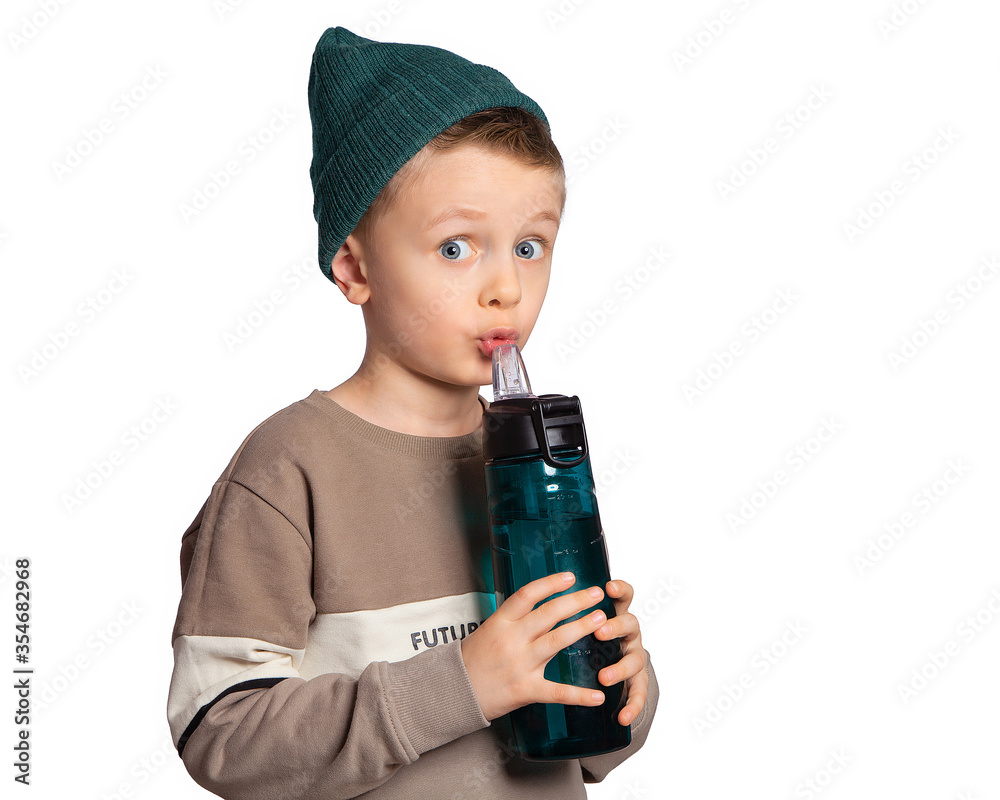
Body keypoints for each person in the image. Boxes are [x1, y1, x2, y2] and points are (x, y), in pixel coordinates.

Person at [166, 25, 659, 799]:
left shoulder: (531, 466)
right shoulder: (288, 468)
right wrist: (461, 683)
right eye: (457, 248)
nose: (506, 288)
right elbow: (219, 734)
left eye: (529, 247)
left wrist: (618, 683)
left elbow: (590, 753)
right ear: (354, 265)